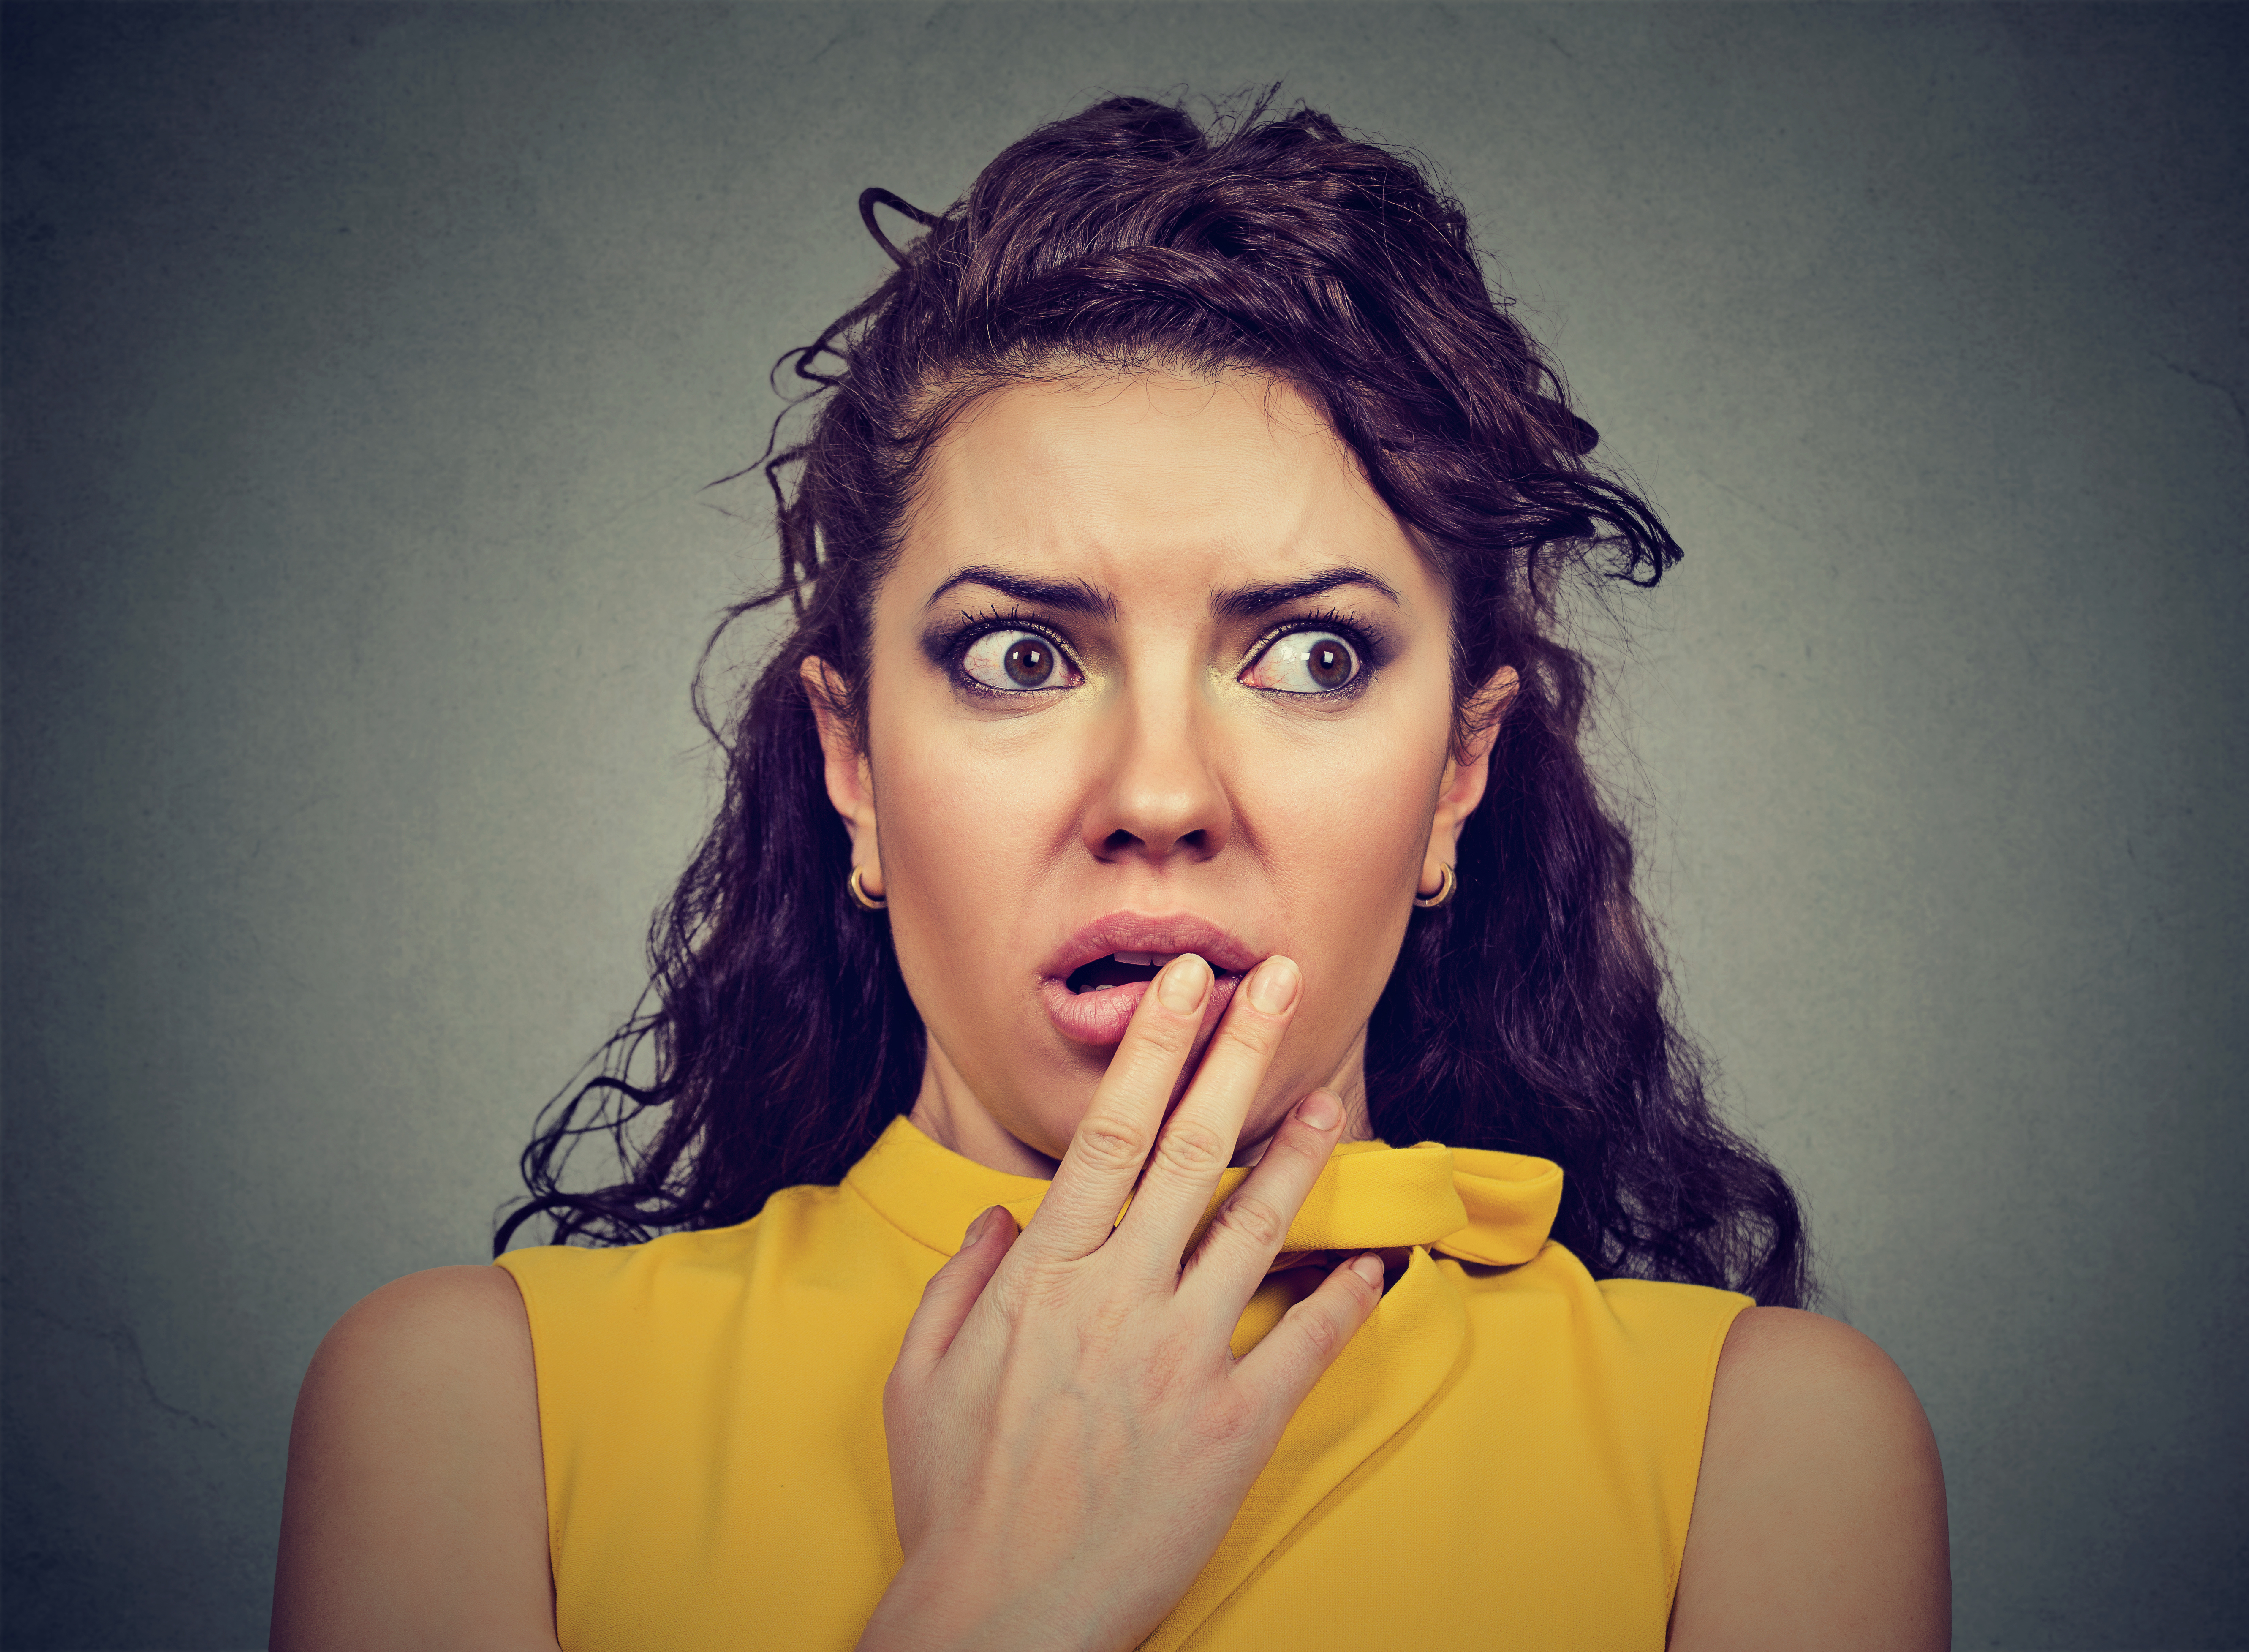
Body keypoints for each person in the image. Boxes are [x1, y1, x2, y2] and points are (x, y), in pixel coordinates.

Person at [270, 95, 1948, 1651]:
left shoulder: (1760, 1451)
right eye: (1016, 657)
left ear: (1458, 777)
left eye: (1308, 657)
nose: (1157, 794)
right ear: (853, 765)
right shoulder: (474, 1415)